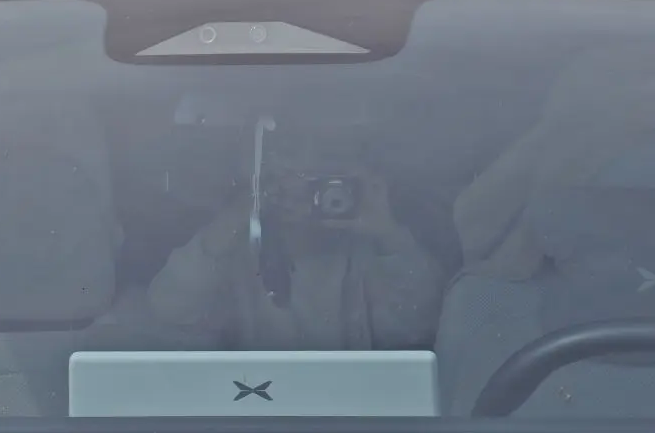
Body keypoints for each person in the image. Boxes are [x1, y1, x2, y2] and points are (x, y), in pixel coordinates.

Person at [147, 129, 443, 350]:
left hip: (353, 408)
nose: (302, 180)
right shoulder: (234, 252)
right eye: (288, 161)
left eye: (322, 164)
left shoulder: (369, 252)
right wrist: (237, 215)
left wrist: (388, 233)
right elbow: (170, 310)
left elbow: (417, 328)